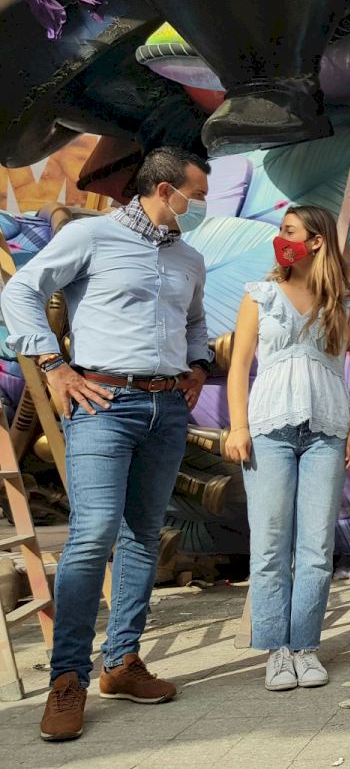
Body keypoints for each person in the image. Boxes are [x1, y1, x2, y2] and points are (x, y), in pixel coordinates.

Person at [1, 147, 213, 741]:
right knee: (93, 533)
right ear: (165, 189)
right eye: (196, 195)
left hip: (166, 408)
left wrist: (198, 364)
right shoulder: (91, 235)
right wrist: (53, 366)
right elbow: (20, 291)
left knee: (143, 535)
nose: (201, 206)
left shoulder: (190, 257)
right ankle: (66, 679)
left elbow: (195, 320)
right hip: (102, 404)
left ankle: (121, 663)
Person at [225, 205, 350, 691]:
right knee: (269, 544)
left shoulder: (348, 300)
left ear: (316, 241)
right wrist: (238, 427)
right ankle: (277, 651)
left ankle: (306, 646)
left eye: (289, 231)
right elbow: (239, 365)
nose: (280, 238)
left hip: (327, 432)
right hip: (268, 431)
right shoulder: (260, 295)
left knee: (316, 547)